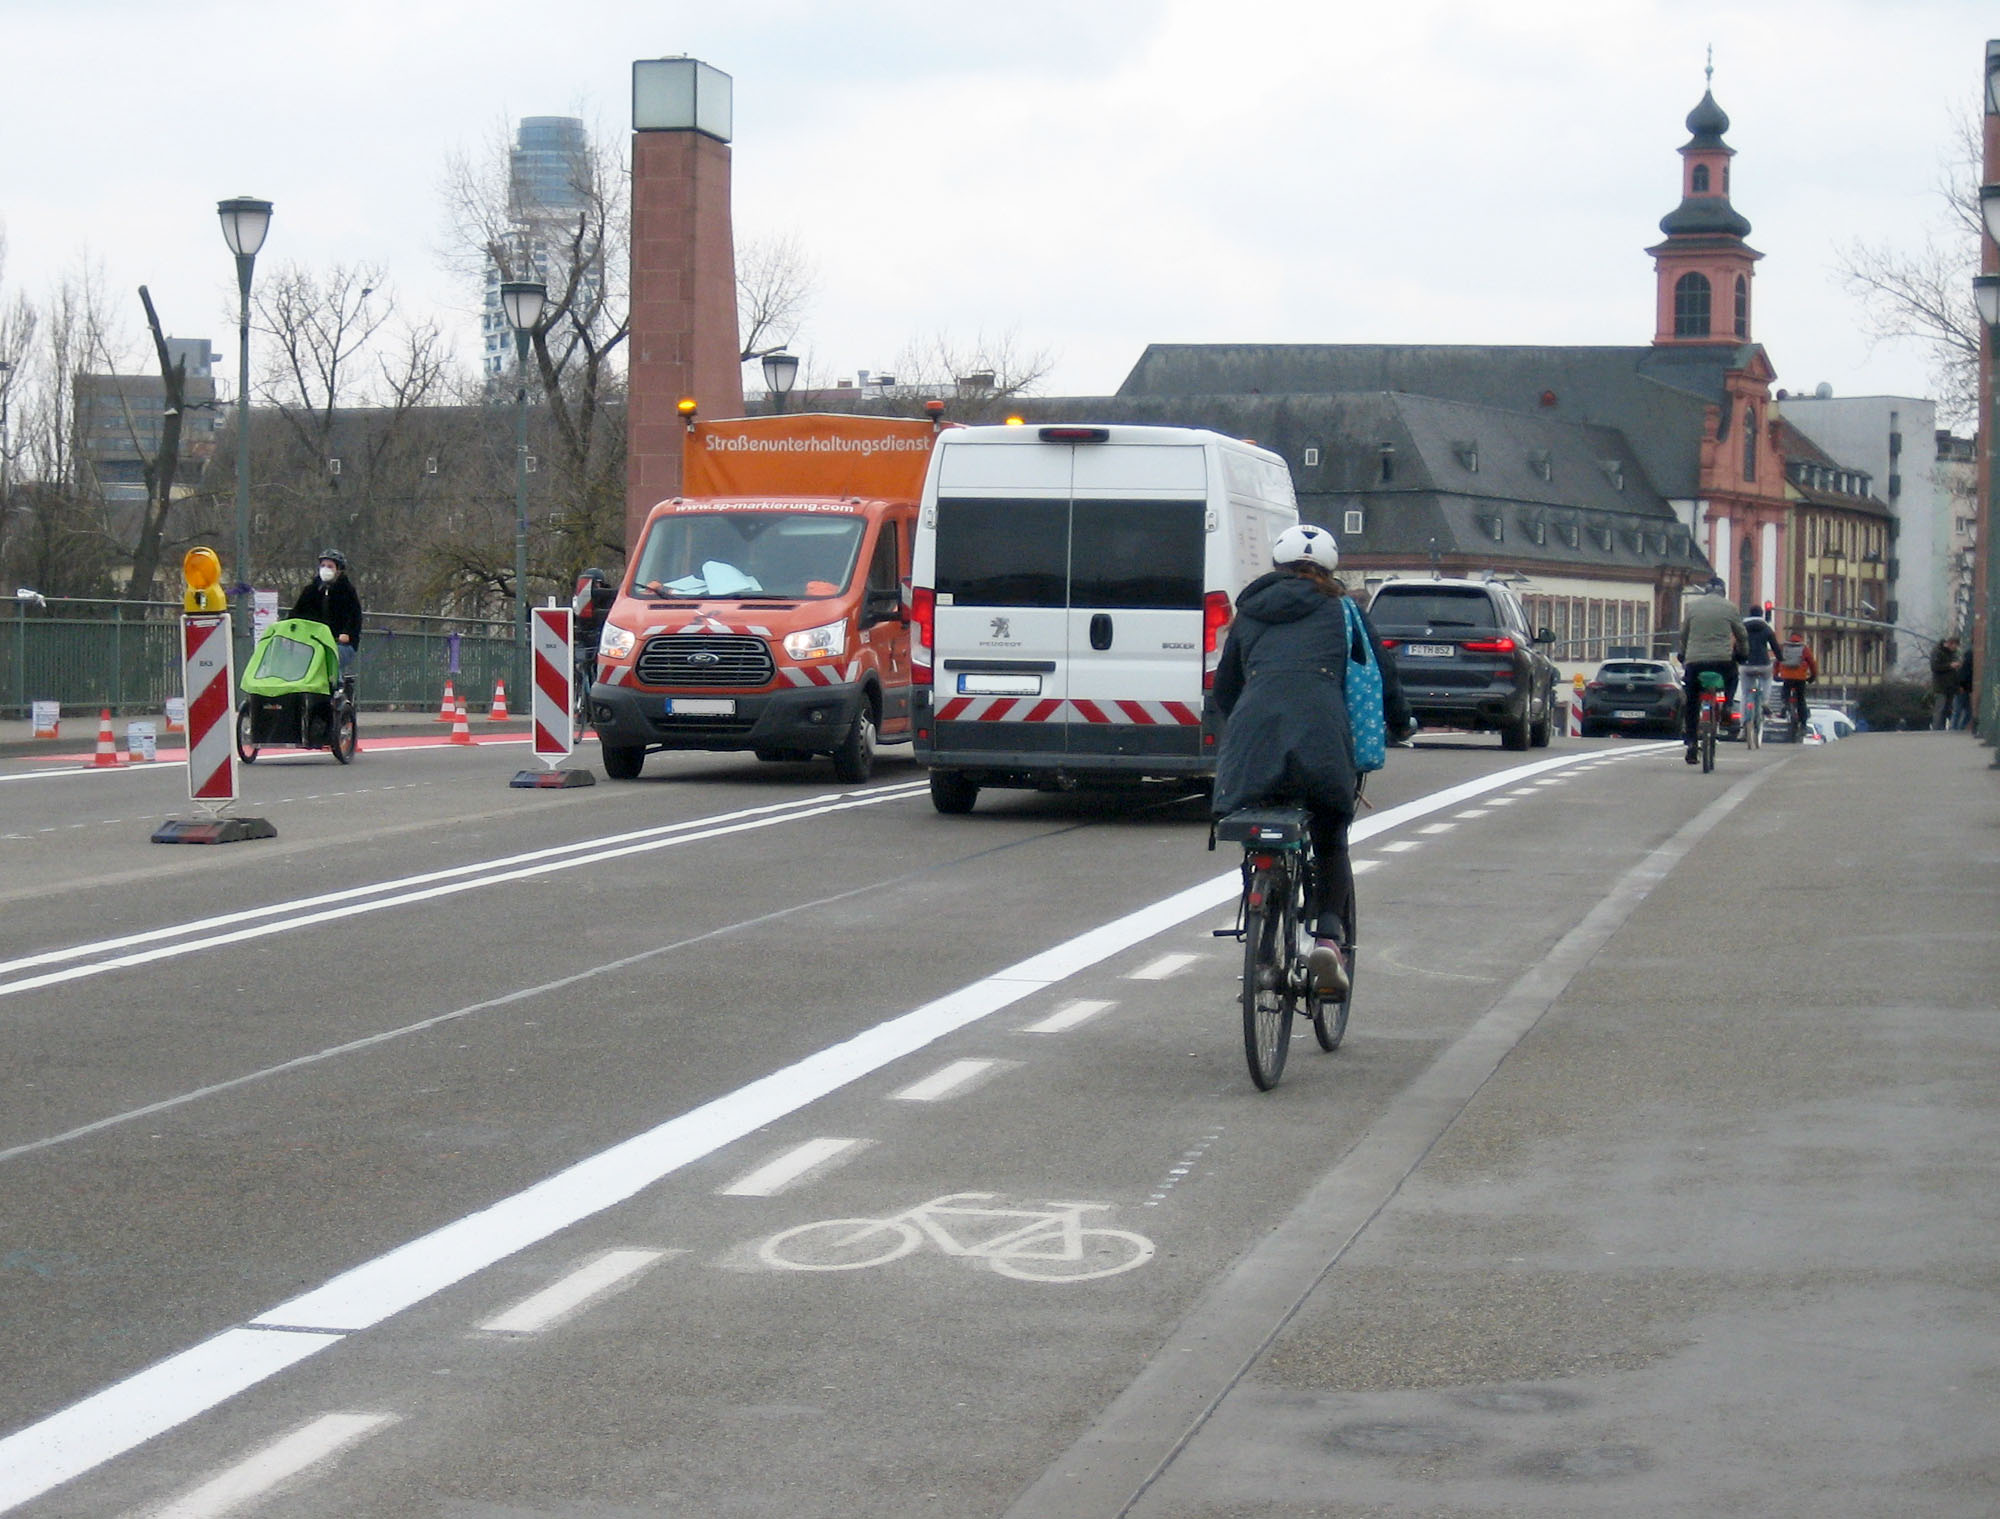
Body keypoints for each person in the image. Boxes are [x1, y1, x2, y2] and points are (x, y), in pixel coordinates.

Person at [1211, 524, 1413, 996]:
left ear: (1277, 566)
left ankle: (1262, 947)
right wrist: (1402, 723)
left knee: (1258, 827)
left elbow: (1225, 689)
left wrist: (1242, 725)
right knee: (1329, 833)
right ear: (1329, 568)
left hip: (1255, 736)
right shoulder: (1343, 610)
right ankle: (1328, 935)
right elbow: (1380, 675)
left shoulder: (1249, 614)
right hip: (1321, 733)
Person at [1676, 577, 1747, 763]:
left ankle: (1691, 742)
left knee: (1692, 700)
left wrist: (1682, 655)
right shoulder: (1730, 607)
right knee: (1733, 676)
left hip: (1695, 662)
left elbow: (1683, 635)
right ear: (1723, 591)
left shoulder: (1692, 607)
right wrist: (1743, 654)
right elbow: (1741, 634)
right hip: (1722, 661)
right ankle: (1729, 704)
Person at [289, 549, 363, 681]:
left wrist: (347, 633)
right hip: (312, 642)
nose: (325, 569)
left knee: (328, 661)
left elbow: (355, 617)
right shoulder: (311, 591)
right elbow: (295, 614)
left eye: (330, 566)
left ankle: (336, 691)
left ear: (338, 570)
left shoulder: (347, 591)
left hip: (340, 644)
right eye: (323, 565)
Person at [1739, 604, 1784, 745]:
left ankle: (1743, 726)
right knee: (1767, 679)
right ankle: (1764, 701)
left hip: (1746, 665)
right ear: (1762, 615)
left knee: (1746, 694)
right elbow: (1775, 647)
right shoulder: (1766, 628)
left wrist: (1737, 659)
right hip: (1764, 664)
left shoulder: (1743, 628)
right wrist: (1781, 659)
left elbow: (1737, 646)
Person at [1775, 622, 1817, 741]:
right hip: (1800, 678)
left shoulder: (1784, 647)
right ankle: (1803, 724)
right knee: (1801, 700)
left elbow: (1777, 661)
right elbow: (1812, 663)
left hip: (1786, 676)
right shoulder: (1804, 648)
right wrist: (1813, 676)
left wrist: (1775, 674)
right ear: (1800, 638)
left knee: (1784, 694)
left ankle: (1784, 708)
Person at [1929, 636, 1961, 731]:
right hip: (1940, 686)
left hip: (1950, 686)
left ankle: (1942, 727)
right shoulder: (1937, 652)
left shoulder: (1952, 653)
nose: (1956, 648)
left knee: (1947, 709)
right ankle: (1936, 728)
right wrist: (1950, 666)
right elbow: (1934, 667)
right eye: (1955, 646)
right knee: (1940, 708)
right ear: (1950, 644)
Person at [1952, 644, 1975, 731]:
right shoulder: (1966, 667)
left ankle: (1957, 727)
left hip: (1964, 689)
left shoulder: (1965, 666)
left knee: (1966, 711)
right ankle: (1955, 727)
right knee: (1960, 710)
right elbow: (1962, 677)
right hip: (1962, 689)